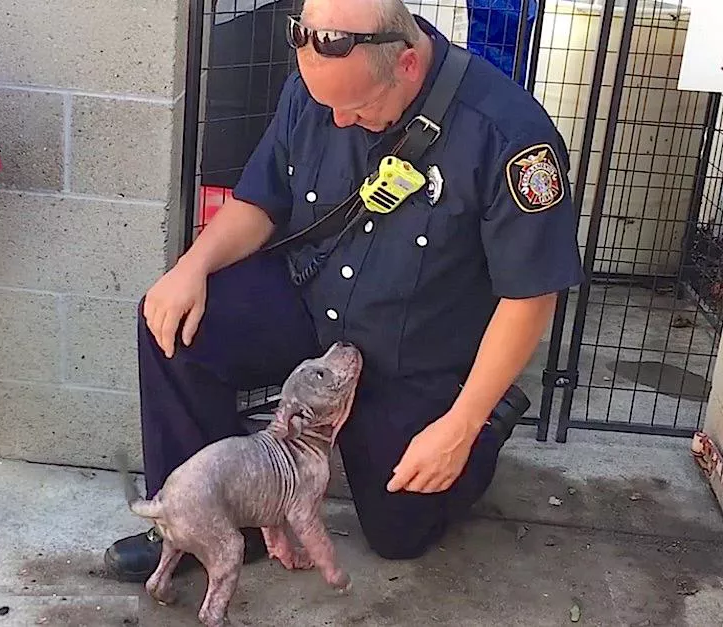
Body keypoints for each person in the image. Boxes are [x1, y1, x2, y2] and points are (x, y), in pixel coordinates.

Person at [103, 0, 584, 584]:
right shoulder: (318, 88)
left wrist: (460, 423)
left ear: (406, 65)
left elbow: (530, 294)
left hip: (413, 350)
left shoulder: (510, 135)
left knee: (398, 533)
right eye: (325, 104)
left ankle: (486, 426)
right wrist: (191, 267)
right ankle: (202, 521)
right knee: (175, 326)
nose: (337, 122)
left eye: (357, 108)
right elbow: (262, 201)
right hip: (313, 303)